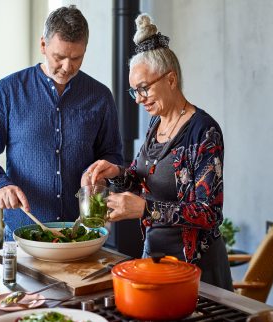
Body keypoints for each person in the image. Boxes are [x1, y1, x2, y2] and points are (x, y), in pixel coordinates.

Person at [84, 13, 233, 290]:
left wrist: (144, 208)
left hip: (194, 268)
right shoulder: (156, 124)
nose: (139, 99)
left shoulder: (204, 131)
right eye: (134, 92)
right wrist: (116, 173)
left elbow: (209, 213)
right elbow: (145, 178)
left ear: (171, 79)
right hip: (154, 258)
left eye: (144, 89)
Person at [0, 5, 123, 241]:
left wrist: (103, 172)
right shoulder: (9, 90)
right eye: (59, 57)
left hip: (81, 232)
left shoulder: (100, 96)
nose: (67, 67)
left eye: (76, 58)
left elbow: (112, 155)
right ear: (43, 45)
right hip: (24, 232)